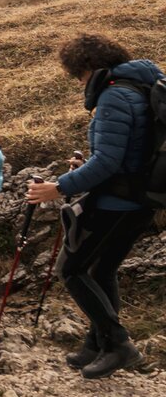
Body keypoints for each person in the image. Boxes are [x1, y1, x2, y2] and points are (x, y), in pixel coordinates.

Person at [27, 34, 164, 379]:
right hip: (142, 198)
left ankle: (120, 345)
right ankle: (96, 343)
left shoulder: (114, 95)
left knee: (71, 269)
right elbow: (129, 151)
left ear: (87, 67)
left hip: (117, 202)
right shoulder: (143, 86)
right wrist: (85, 166)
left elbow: (107, 162)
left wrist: (57, 187)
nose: (80, 82)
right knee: (101, 270)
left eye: (78, 75)